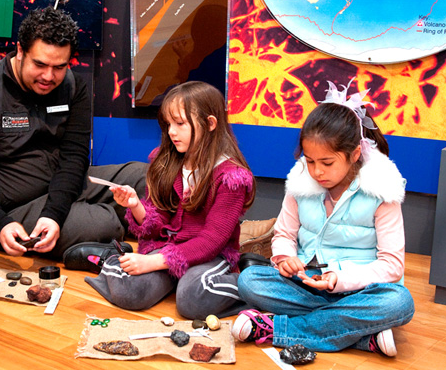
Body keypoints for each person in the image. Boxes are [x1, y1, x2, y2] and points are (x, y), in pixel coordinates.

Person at [231, 81, 415, 357]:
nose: (316, 171)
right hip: (306, 282)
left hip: (359, 289)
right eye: (310, 160)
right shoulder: (300, 183)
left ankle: (273, 329)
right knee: (250, 281)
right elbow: (283, 235)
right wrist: (285, 259)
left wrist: (339, 280)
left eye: (327, 163)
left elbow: (392, 266)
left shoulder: (382, 191)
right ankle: (361, 336)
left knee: (399, 302)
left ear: (354, 155)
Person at [0, 7, 146, 260]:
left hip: (67, 186)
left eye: (59, 67)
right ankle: (112, 220)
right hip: (14, 208)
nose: (48, 76)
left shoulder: (73, 86)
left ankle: (96, 217)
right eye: (39, 64)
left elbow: (75, 157)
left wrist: (54, 213)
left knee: (147, 178)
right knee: (98, 225)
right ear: (20, 51)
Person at [84, 81, 255, 319]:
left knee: (192, 300)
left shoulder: (231, 177)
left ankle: (250, 282)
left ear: (210, 124)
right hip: (167, 250)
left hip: (209, 255)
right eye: (168, 124)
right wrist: (135, 206)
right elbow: (158, 220)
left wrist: (154, 263)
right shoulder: (167, 161)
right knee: (130, 292)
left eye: (180, 123)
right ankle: (171, 276)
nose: (171, 131)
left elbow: (211, 241)